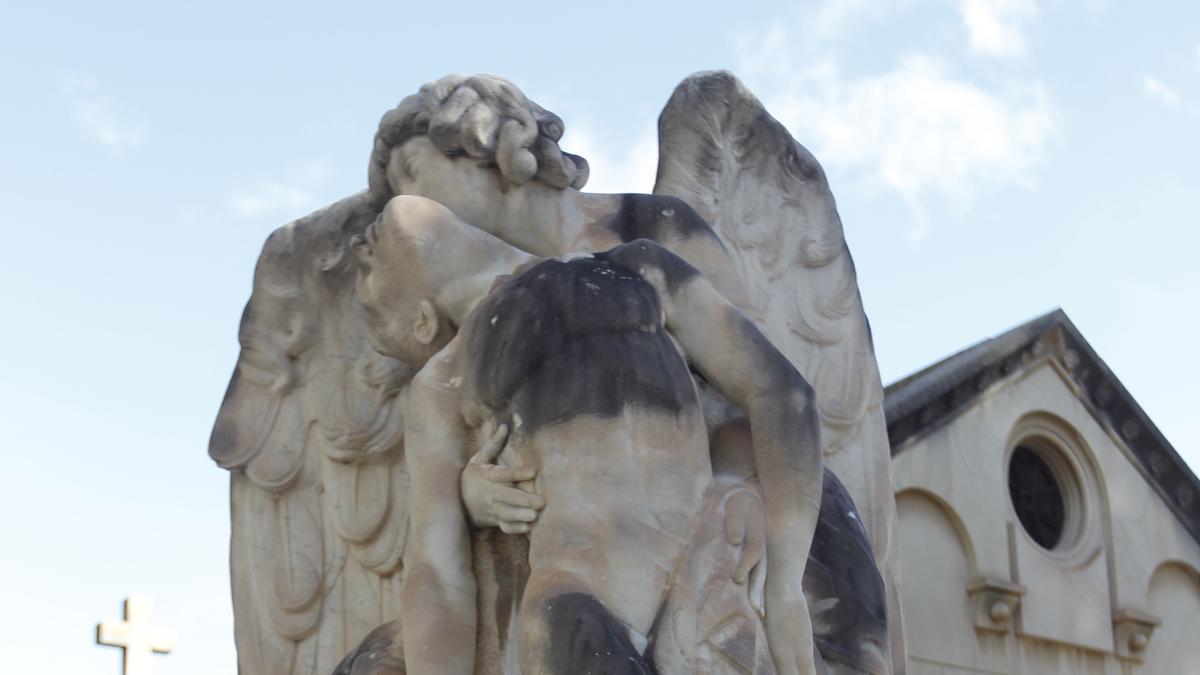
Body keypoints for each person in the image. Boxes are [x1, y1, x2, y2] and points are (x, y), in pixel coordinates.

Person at [351, 195, 823, 675]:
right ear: (423, 322)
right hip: (578, 609)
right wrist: (465, 500)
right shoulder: (441, 382)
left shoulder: (638, 265)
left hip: (714, 568)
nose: (359, 247)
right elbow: (437, 574)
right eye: (365, 276)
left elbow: (782, 395)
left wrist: (786, 587)